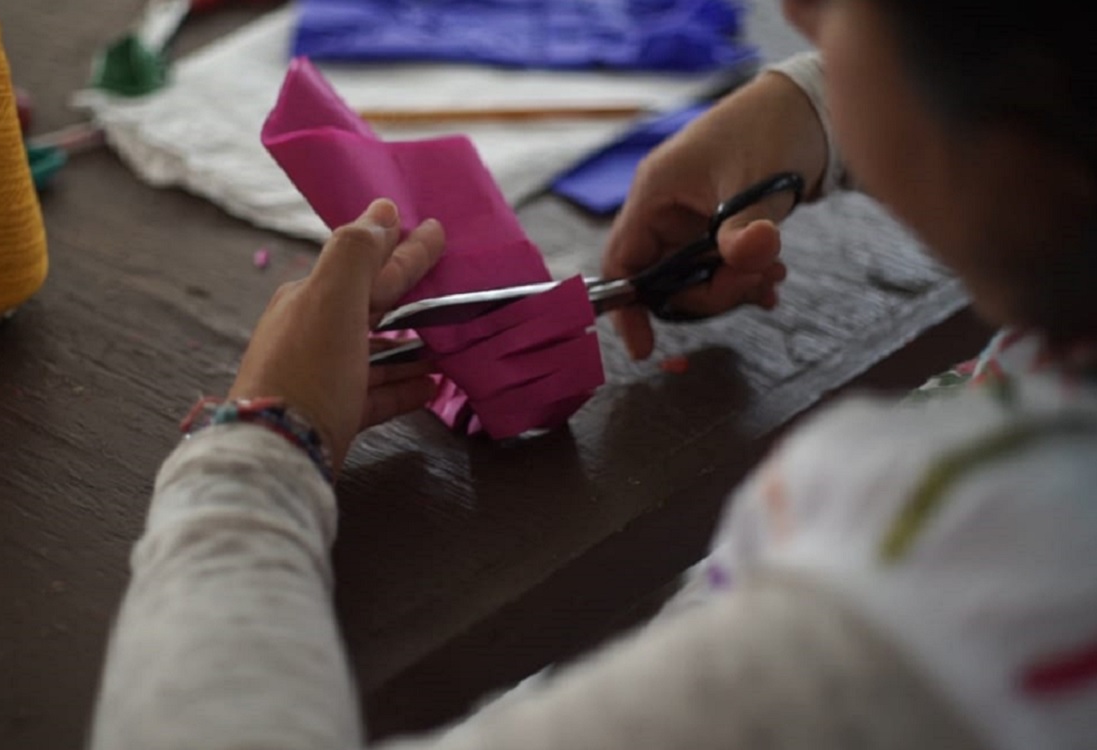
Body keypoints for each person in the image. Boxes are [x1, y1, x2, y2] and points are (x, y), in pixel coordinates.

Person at [91, 0, 1097, 748]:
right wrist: (807, 108)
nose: (791, 12)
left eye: (834, 9)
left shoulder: (934, 623)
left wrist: (261, 447)